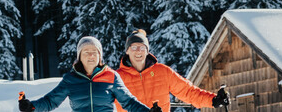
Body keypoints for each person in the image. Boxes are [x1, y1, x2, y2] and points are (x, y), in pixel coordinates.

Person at [19, 36, 161, 112]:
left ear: (100, 56)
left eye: (95, 52)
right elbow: (51, 101)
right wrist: (32, 107)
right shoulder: (70, 79)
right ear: (80, 56)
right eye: (86, 52)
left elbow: (129, 102)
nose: (91, 55)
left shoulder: (111, 76)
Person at [113, 30, 229, 112]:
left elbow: (187, 91)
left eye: (142, 47)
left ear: (147, 51)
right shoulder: (116, 78)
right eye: (134, 47)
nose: (138, 51)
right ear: (127, 51)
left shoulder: (162, 72)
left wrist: (213, 100)